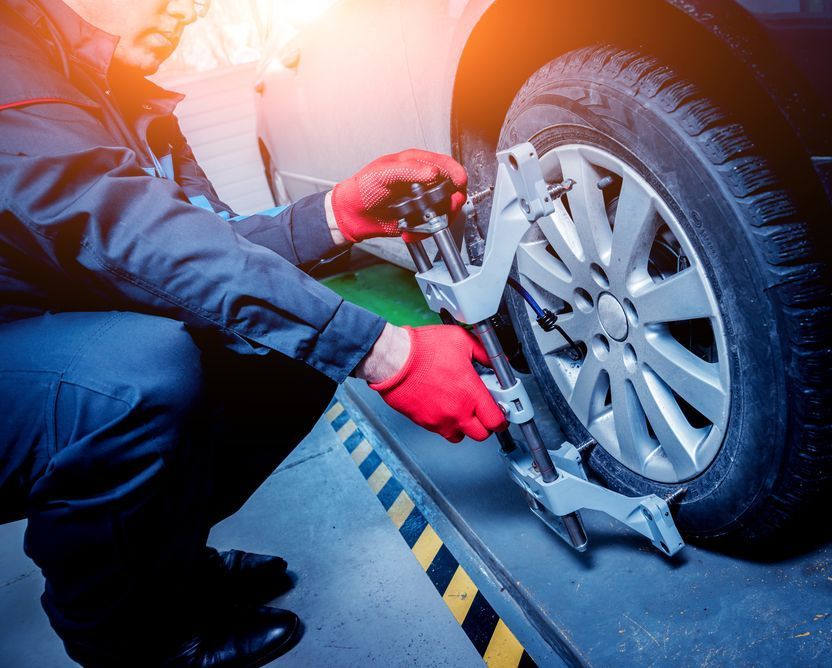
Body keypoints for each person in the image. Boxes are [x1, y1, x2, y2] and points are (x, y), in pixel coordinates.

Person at [0, 0, 508, 665]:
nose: (191, 9)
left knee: (279, 345)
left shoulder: (137, 101)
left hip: (44, 332)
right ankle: (131, 645)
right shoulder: (12, 47)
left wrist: (337, 214)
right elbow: (120, 228)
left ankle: (165, 569)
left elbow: (204, 247)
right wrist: (386, 353)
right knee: (132, 378)